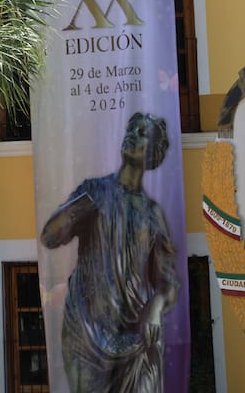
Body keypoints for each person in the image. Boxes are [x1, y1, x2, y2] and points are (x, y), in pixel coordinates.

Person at [40, 112, 180, 393]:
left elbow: (169, 283)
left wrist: (155, 308)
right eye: (131, 129)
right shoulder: (94, 191)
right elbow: (50, 237)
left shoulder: (152, 214)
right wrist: (81, 206)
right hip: (87, 329)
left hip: (136, 332)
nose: (131, 134)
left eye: (142, 133)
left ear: (153, 152)